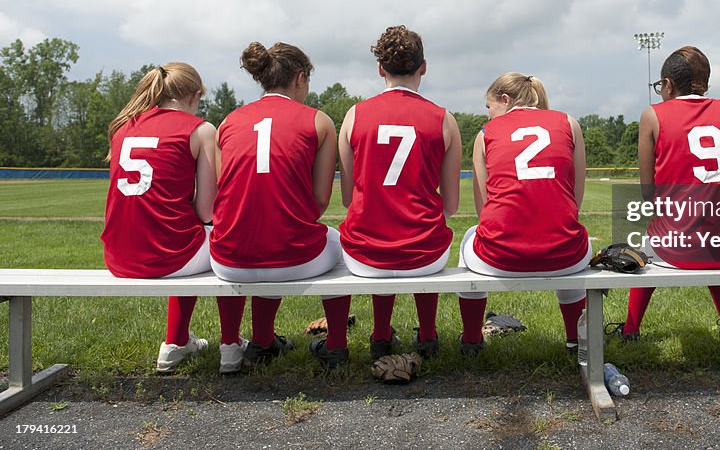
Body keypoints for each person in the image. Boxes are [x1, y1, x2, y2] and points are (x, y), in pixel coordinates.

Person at [210, 42, 349, 370]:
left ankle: (254, 343)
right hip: (294, 256)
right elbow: (319, 202)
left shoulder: (228, 122)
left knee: (255, 233)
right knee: (342, 244)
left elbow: (224, 194)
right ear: (300, 78)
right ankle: (336, 346)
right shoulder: (319, 121)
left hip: (229, 259)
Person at [610, 46, 720, 346]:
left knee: (648, 245)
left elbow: (648, 193)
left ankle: (631, 329)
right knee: (719, 228)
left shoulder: (653, 115)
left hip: (677, 246)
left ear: (668, 84)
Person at [102, 62, 235, 372]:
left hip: (117, 256)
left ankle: (175, 343)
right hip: (169, 256)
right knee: (230, 242)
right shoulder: (200, 129)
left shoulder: (124, 127)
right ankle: (231, 346)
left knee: (184, 233)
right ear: (194, 94)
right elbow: (207, 211)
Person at [338, 25, 461, 358]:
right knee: (422, 235)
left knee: (375, 231)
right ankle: (429, 335)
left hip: (365, 255)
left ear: (380, 69)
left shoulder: (354, 115)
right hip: (425, 253)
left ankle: (380, 335)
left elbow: (349, 200)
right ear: (424, 67)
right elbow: (450, 206)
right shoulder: (444, 119)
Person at [456, 73, 590, 354]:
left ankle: (471, 340)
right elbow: (574, 202)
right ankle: (574, 341)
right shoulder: (569, 123)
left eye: (489, 106)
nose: (489, 114)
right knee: (573, 238)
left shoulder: (485, 134)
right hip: (566, 255)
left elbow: (484, 212)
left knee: (469, 235)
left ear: (505, 100)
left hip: (499, 257)